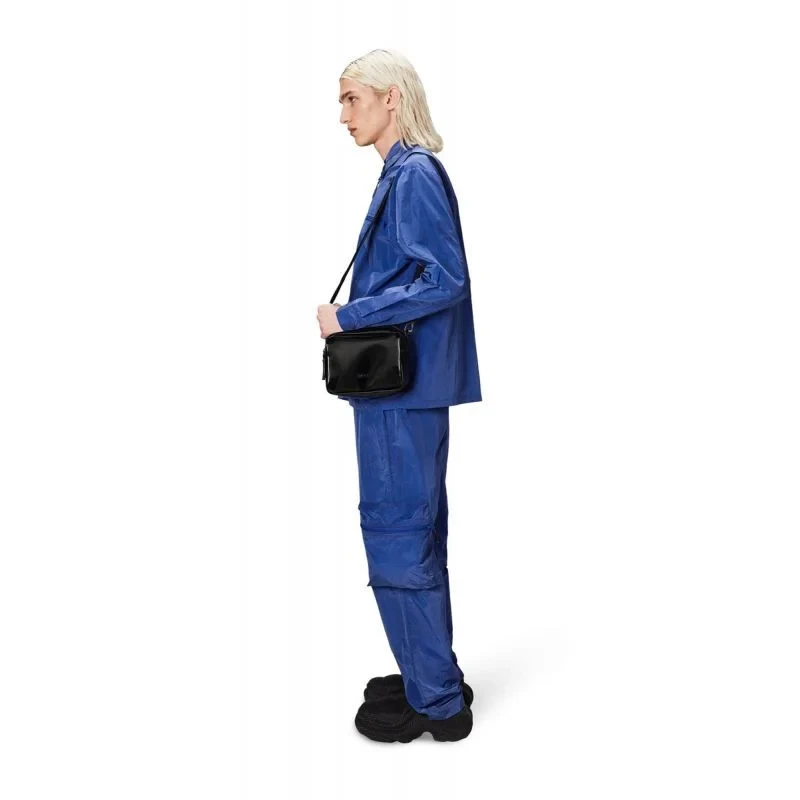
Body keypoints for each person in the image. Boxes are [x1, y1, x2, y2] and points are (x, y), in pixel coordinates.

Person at [316, 48, 482, 744]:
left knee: (396, 533)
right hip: (405, 390)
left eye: (352, 99)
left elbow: (446, 279)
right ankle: (428, 672)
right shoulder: (403, 172)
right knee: (414, 530)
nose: (343, 115)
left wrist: (349, 316)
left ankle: (437, 703)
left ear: (391, 98)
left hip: (400, 395)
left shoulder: (412, 174)